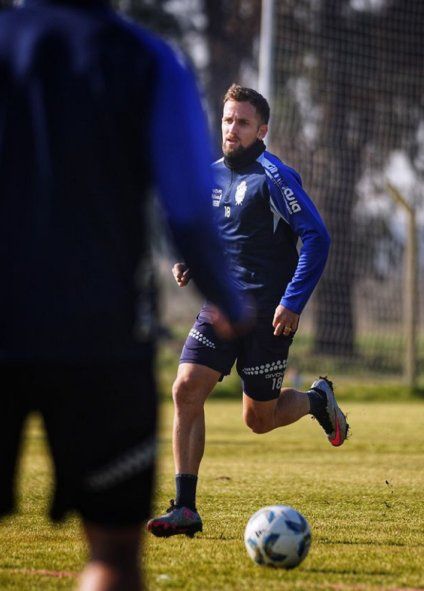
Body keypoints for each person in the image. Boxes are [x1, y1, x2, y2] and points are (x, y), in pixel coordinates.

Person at [0, 3, 249, 590]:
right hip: (101, 335)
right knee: (113, 552)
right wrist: (228, 298)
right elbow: (186, 204)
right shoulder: (145, 58)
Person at [147, 84, 350, 539]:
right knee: (185, 388)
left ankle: (317, 400)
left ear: (262, 129)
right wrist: (191, 262)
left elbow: (317, 238)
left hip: (267, 314)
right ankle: (185, 507)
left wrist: (292, 302)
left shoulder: (275, 177)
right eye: (226, 120)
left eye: (241, 122)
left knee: (258, 420)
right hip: (221, 308)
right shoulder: (213, 175)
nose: (231, 129)